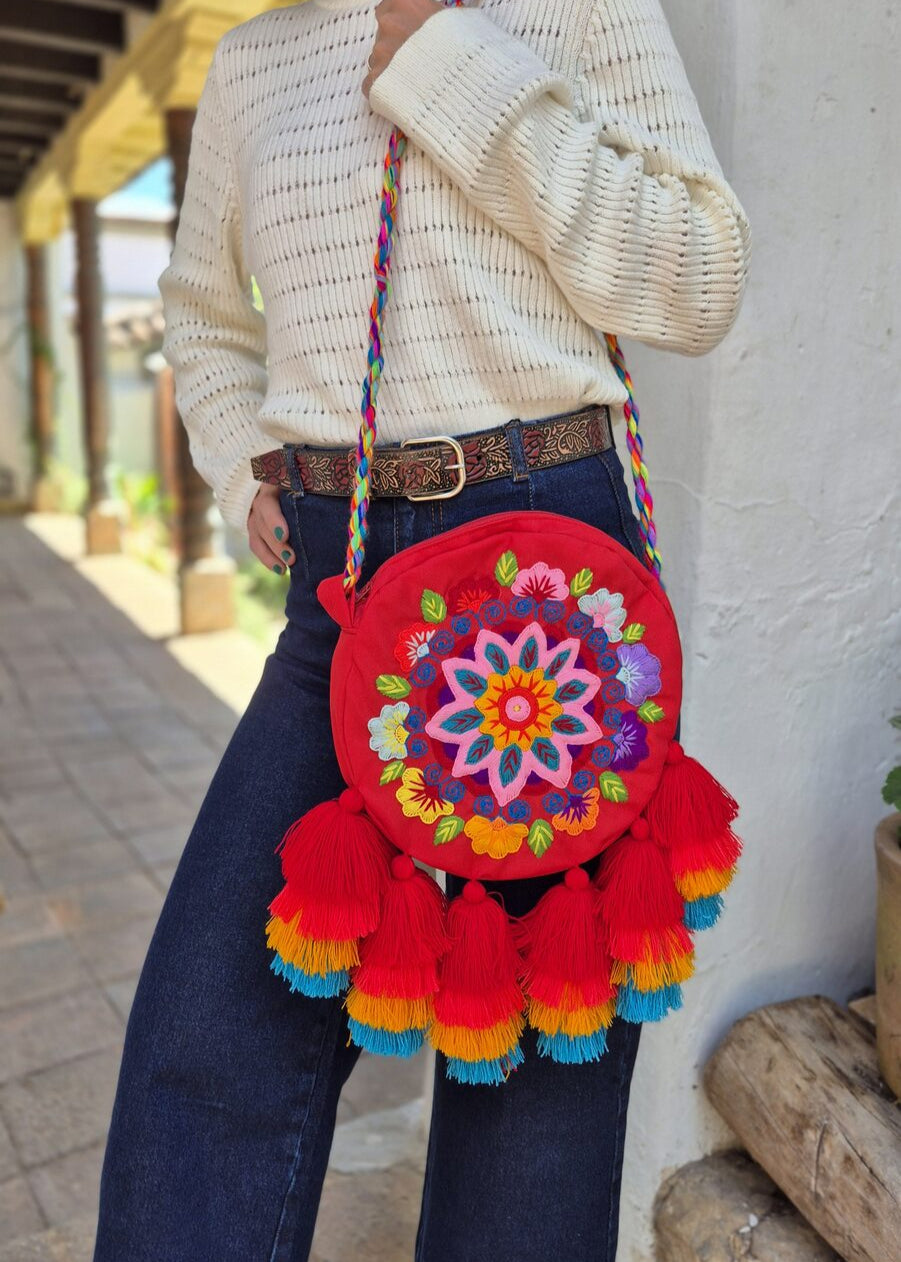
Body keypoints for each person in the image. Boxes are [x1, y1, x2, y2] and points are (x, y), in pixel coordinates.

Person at [93, 0, 750, 1257]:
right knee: (209, 1032)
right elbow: (202, 310)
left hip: (551, 564)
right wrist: (244, 467)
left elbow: (697, 277)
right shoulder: (254, 57)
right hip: (338, 572)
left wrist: (457, 64)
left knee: (535, 1044)